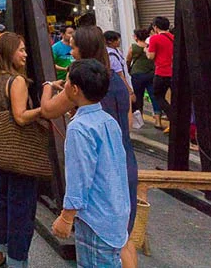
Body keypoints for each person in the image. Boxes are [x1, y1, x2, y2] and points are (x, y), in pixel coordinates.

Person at [42, 26, 139, 268]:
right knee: (123, 241)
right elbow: (127, 123)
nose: (71, 50)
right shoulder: (115, 86)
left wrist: (66, 216)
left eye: (73, 46)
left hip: (95, 212)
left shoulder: (80, 124)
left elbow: (79, 175)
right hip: (121, 176)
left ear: (74, 89)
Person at [0, 31, 44, 268]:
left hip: (4, 152)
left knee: (6, 202)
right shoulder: (17, 81)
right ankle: (18, 260)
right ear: (10, 52)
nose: (25, 54)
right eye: (21, 50)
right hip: (21, 153)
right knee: (22, 210)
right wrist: (43, 110)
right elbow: (20, 117)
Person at [147, 16, 174, 133]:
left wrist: (146, 51)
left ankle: (173, 117)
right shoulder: (173, 37)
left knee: (158, 96)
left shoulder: (155, 39)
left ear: (155, 27)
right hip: (174, 72)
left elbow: (151, 56)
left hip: (161, 72)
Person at [127, 28, 158, 130]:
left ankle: (140, 119)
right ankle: (158, 120)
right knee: (154, 97)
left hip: (137, 75)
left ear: (136, 37)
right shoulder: (150, 46)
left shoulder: (133, 47)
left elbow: (128, 59)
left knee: (138, 97)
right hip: (151, 73)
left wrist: (127, 69)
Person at [104, 31, 133, 105]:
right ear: (110, 41)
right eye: (117, 39)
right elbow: (120, 75)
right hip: (120, 87)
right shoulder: (111, 56)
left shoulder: (116, 51)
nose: (119, 41)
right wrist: (129, 91)